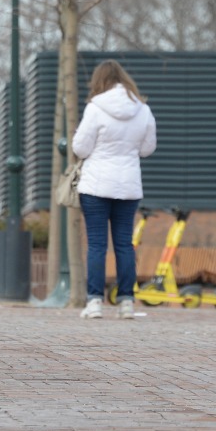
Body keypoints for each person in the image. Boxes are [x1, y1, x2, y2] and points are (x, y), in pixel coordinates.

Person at [72, 60, 157, 321]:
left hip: (96, 184)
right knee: (124, 245)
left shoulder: (95, 109)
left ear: (100, 81)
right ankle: (127, 302)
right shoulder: (143, 109)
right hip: (129, 185)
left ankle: (95, 301)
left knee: (97, 244)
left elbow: (80, 148)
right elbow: (147, 148)